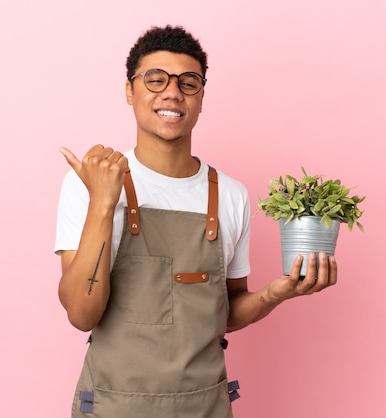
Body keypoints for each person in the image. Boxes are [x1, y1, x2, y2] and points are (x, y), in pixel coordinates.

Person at [54, 25, 337, 418]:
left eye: (188, 83)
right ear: (129, 90)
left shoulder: (232, 195)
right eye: (155, 80)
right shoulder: (88, 182)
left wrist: (277, 293)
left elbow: (225, 310)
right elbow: (81, 315)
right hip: (112, 406)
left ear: (201, 97)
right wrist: (104, 202)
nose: (172, 92)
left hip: (205, 408)